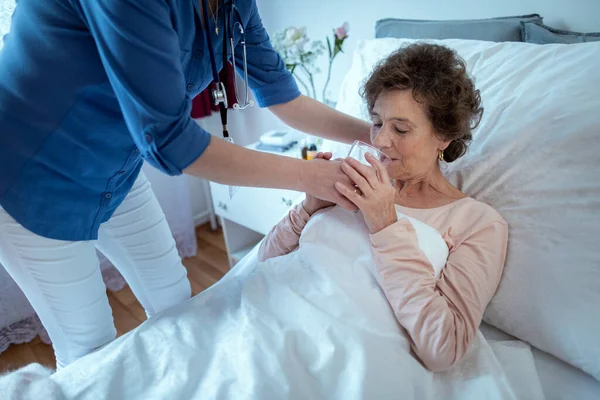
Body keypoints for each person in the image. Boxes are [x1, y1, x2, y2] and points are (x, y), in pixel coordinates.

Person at [0, 0, 369, 369]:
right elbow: (171, 143)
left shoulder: (236, 6)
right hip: (31, 174)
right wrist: (309, 176)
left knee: (174, 299)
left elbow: (285, 98)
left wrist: (377, 133)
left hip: (117, 168)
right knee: (89, 349)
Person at [258, 43, 509, 371]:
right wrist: (308, 210)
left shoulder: (476, 222)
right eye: (377, 123)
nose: (379, 141)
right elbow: (265, 261)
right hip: (268, 318)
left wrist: (386, 225)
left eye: (401, 129)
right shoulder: (352, 180)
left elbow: (444, 349)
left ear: (444, 137)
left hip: (334, 357)